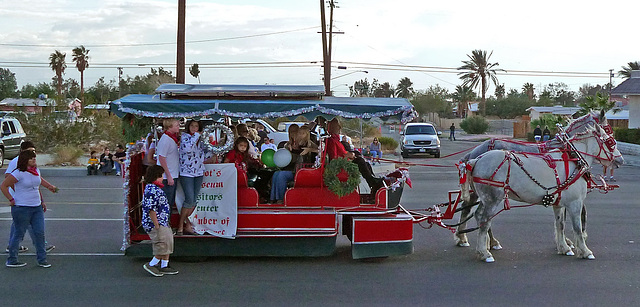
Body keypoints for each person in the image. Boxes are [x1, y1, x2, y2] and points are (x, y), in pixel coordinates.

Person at [2, 150, 56, 268]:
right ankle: (12, 259)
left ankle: (42, 259)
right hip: (22, 207)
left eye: (34, 158)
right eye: (31, 158)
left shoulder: (36, 171)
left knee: (39, 232)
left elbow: (38, 183)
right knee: (18, 234)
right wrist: (11, 199)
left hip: (36, 207)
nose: (34, 160)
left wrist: (47, 191)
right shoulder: (18, 173)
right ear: (25, 160)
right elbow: (4, 186)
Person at [326, 118, 384, 195]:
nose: (340, 128)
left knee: (366, 163)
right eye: (338, 126)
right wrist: (347, 156)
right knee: (360, 161)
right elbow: (334, 157)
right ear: (333, 127)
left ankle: (372, 182)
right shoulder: (332, 141)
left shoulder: (335, 139)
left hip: (346, 159)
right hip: (341, 164)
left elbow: (343, 151)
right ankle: (372, 182)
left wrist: (350, 154)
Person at [141, 165, 178, 276]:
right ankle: (152, 264)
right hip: (156, 222)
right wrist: (156, 225)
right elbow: (151, 209)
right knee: (161, 243)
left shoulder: (156, 189)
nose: (162, 178)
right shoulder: (151, 190)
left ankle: (164, 265)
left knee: (168, 241)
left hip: (163, 221)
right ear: (155, 176)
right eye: (161, 176)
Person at [270, 126, 318, 203]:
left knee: (281, 175)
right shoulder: (291, 144)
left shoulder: (309, 143)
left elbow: (319, 150)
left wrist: (309, 150)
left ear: (307, 134)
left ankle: (281, 199)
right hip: (292, 168)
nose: (300, 135)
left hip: (301, 170)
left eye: (303, 134)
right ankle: (273, 198)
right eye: (299, 133)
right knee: (276, 174)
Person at [178, 120, 209, 235]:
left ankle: (188, 224)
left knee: (194, 200)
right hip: (186, 172)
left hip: (199, 172)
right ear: (188, 126)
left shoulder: (200, 139)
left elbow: (205, 153)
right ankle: (181, 224)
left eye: (196, 126)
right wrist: (196, 136)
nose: (194, 128)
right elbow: (187, 149)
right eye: (192, 125)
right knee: (189, 199)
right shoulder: (185, 137)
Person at [157, 118, 181, 213]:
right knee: (167, 202)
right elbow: (161, 158)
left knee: (170, 201)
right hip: (167, 176)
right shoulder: (166, 140)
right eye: (177, 126)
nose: (178, 127)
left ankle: (166, 223)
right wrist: (169, 175)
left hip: (172, 174)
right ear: (170, 127)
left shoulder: (170, 139)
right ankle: (165, 224)